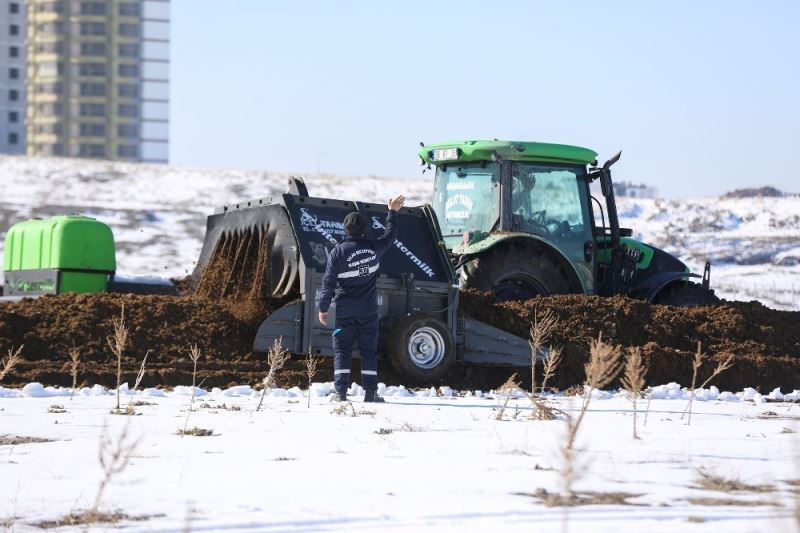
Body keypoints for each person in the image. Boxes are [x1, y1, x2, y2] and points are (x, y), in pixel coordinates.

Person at [318, 195, 406, 402]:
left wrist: (323, 307)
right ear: (364, 230)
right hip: (368, 312)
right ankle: (370, 393)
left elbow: (328, 282)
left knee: (342, 351)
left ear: (345, 230)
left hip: (344, 313)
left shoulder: (337, 252)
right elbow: (390, 235)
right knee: (368, 351)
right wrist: (392, 212)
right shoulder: (374, 248)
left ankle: (340, 393)